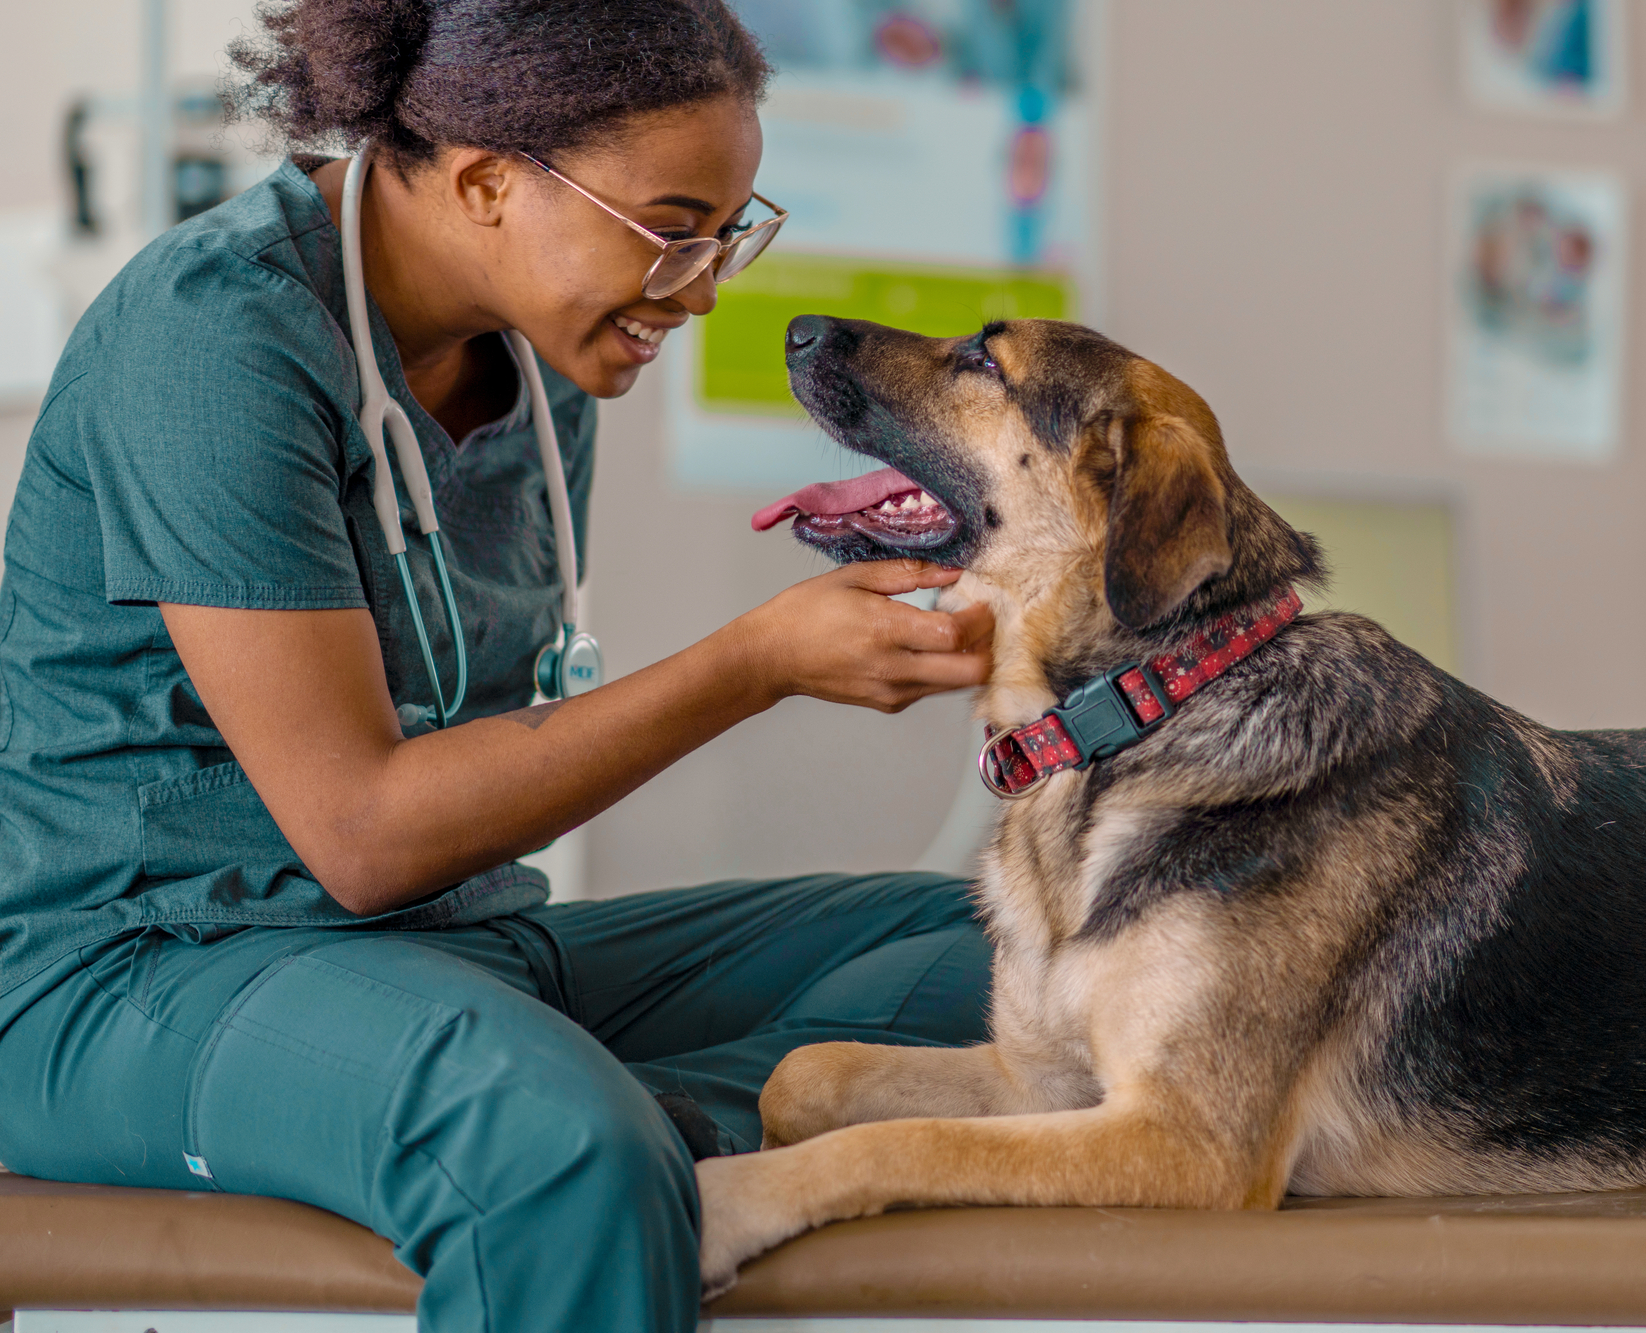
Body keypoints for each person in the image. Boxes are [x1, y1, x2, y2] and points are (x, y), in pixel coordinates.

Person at [0, 2, 995, 1329]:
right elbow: (360, 831)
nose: (704, 286)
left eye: (730, 231)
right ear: (483, 183)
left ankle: (617, 1119)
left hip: (453, 954)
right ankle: (566, 1131)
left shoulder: (540, 370)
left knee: (1007, 947)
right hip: (138, 979)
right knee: (553, 1146)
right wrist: (755, 662)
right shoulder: (213, 341)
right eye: (675, 224)